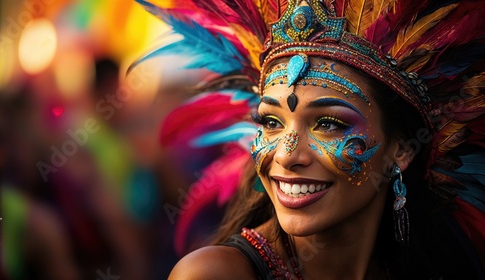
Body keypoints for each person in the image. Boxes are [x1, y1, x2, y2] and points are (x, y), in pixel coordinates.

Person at [131, 0, 485, 279]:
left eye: (328, 124)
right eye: (271, 122)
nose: (286, 156)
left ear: (403, 148)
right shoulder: (213, 275)